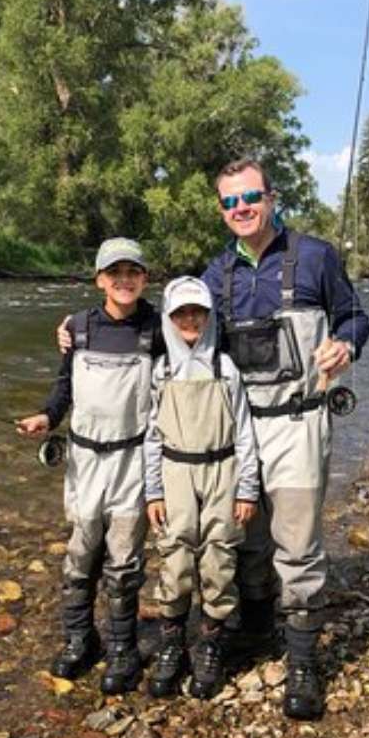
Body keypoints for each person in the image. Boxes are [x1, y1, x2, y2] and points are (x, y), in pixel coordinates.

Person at [201, 157, 369, 720]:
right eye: (229, 202)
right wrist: (81, 331)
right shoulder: (214, 276)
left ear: (271, 197)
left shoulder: (316, 256)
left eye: (249, 197)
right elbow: (175, 339)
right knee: (244, 536)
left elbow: (355, 318)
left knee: (297, 545)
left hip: (301, 421)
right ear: (221, 209)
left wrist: (345, 346)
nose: (240, 209)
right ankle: (254, 631)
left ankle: (301, 661)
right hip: (240, 425)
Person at [17, 237, 161, 694]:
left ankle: (122, 647)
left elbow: (201, 337)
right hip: (84, 462)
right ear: (100, 280)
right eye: (114, 273)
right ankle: (81, 640)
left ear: (144, 279)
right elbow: (64, 387)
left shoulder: (159, 329)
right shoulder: (77, 329)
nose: (124, 280)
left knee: (124, 560)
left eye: (132, 272)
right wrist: (47, 416)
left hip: (132, 461)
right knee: (80, 555)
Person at [144, 276, 258, 700]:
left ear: (209, 317)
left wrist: (247, 488)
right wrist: (152, 491)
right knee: (173, 557)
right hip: (174, 472)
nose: (190, 319)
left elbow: (245, 433)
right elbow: (151, 437)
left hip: (222, 471)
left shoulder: (225, 368)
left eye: (198, 312)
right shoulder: (160, 369)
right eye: (181, 313)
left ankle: (210, 642)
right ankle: (172, 643)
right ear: (168, 318)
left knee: (219, 557)